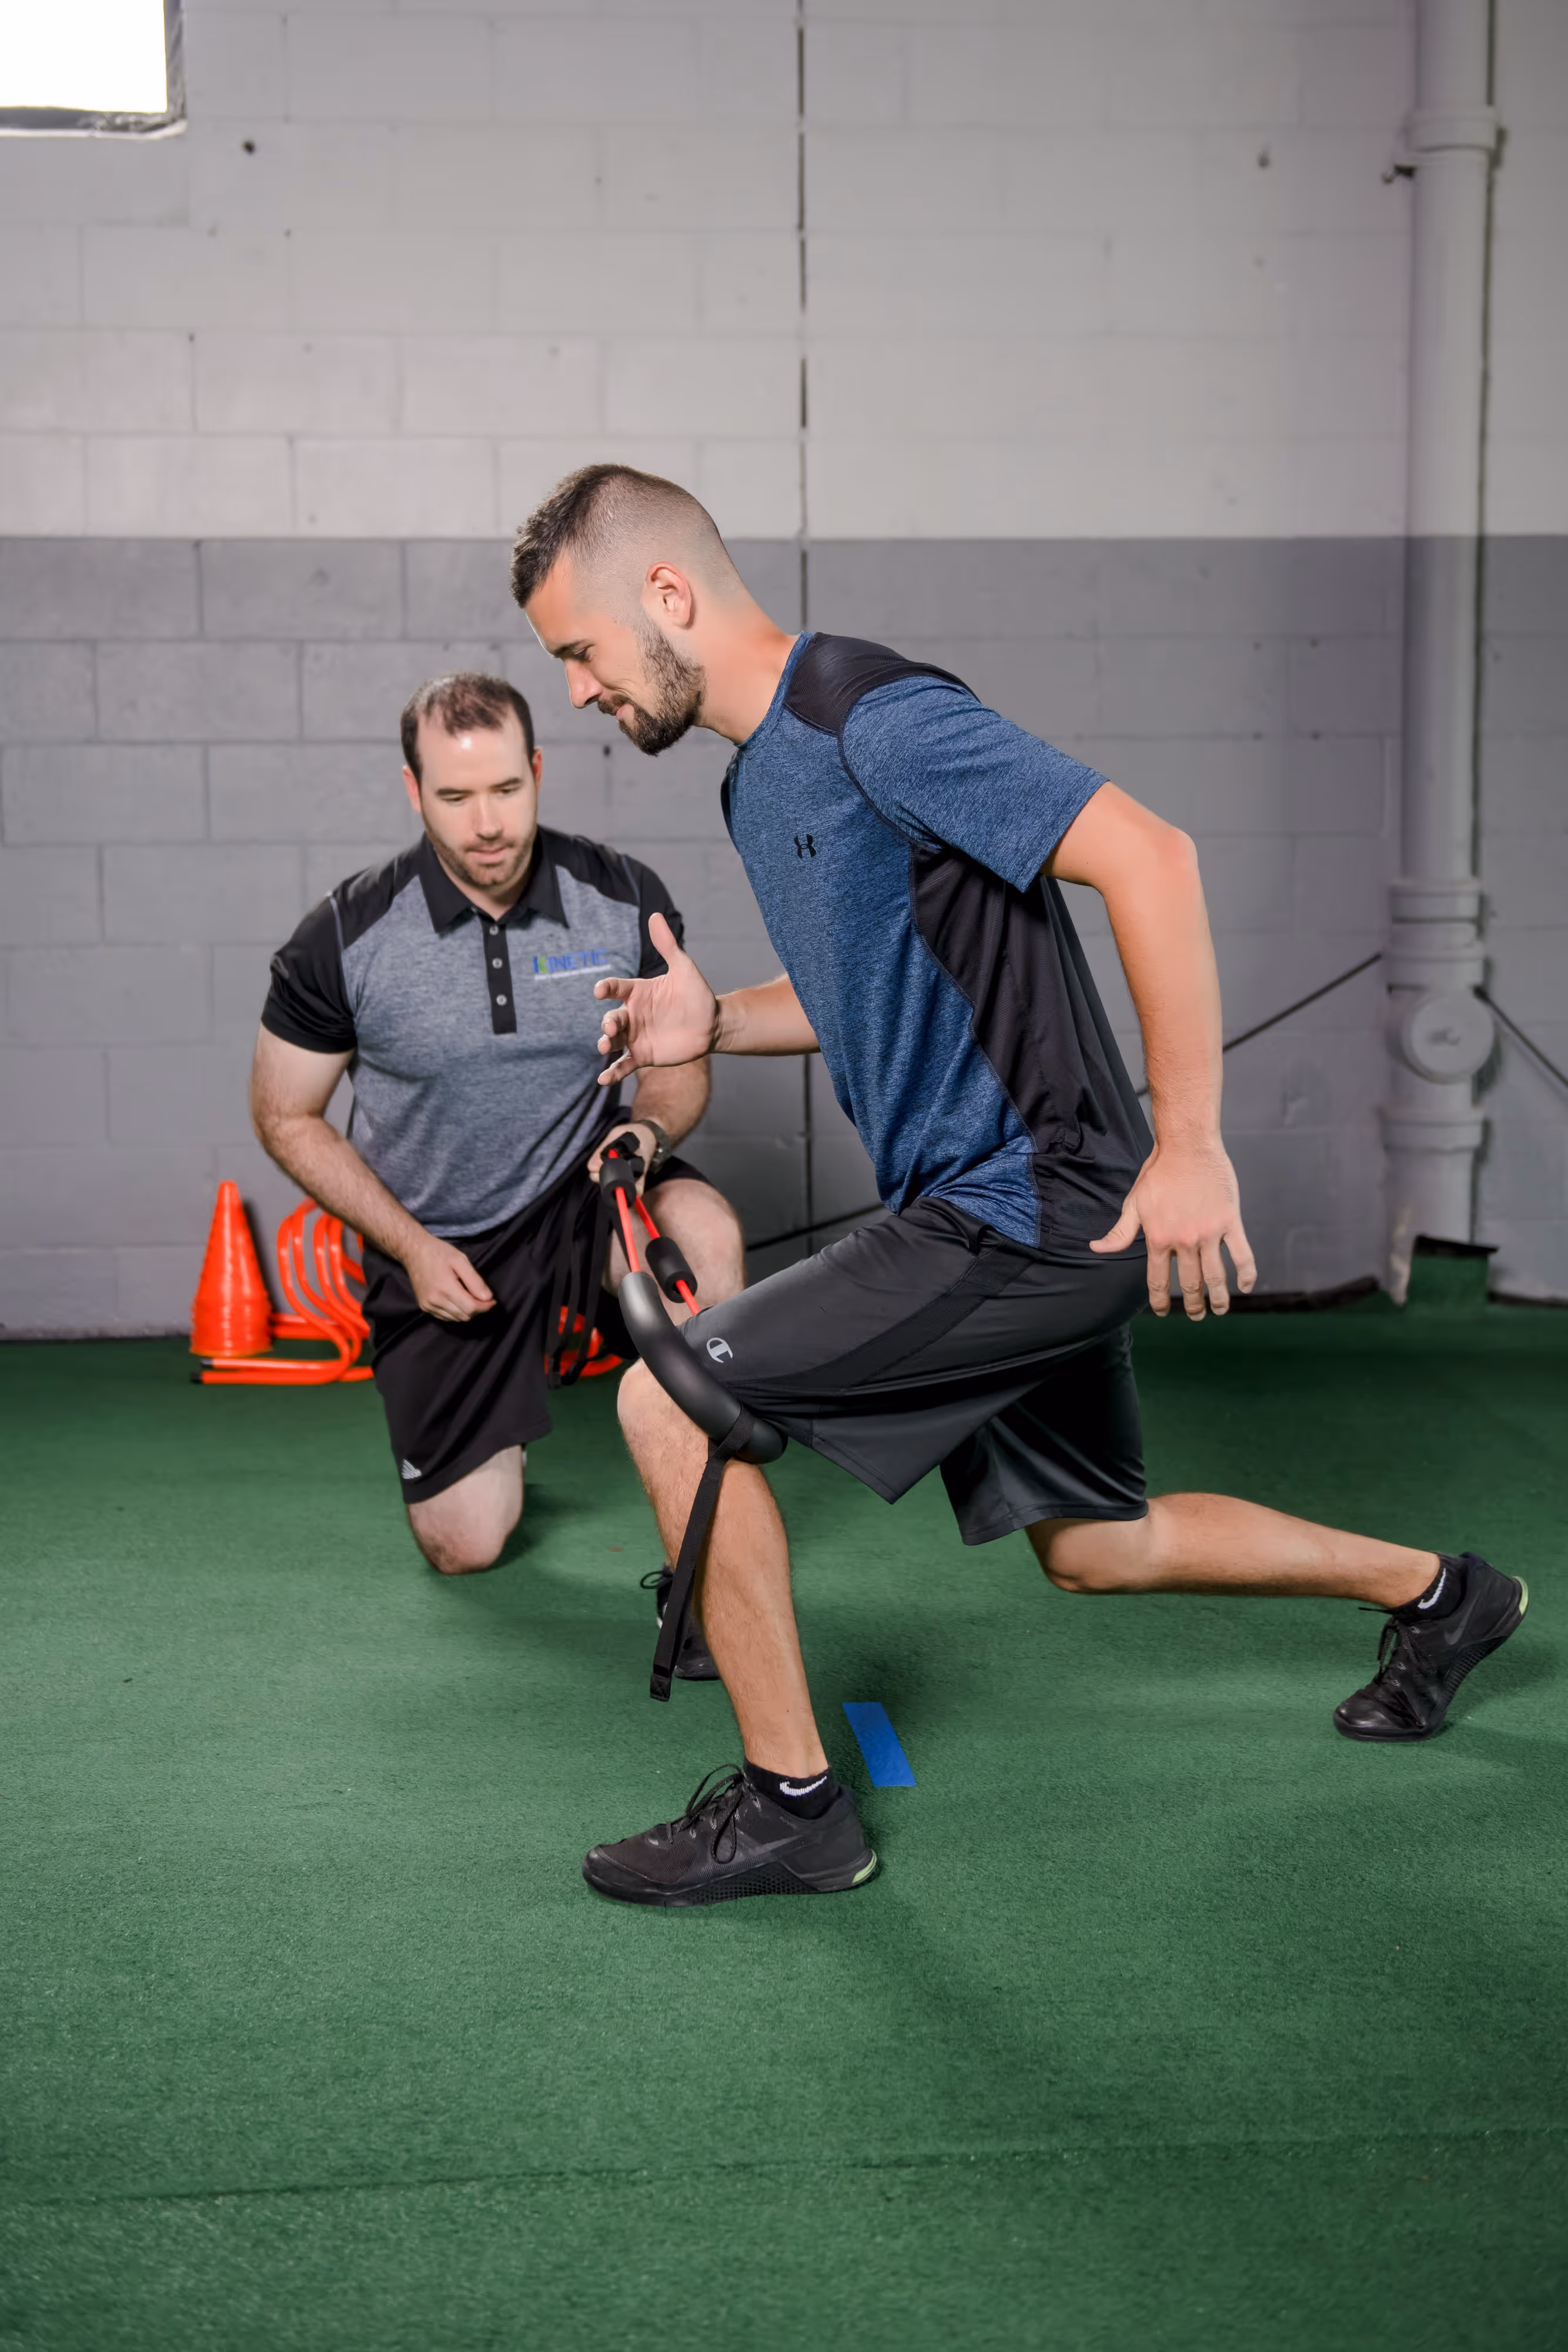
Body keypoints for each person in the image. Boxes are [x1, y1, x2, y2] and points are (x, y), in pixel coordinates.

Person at [511, 465, 1528, 1909]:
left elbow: (1151, 857)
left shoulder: (874, 717)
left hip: (1028, 1199)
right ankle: (1441, 1593)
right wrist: (713, 1020)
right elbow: (865, 985)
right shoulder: (758, 777)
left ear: (666, 594)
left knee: (665, 1395)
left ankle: (795, 1808)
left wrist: (1190, 1143)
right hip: (994, 1207)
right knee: (1099, 1544)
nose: (577, 691)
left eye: (581, 650)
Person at [250, 669, 743, 1672]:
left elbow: (678, 1063)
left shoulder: (623, 897)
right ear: (413, 790)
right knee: (465, 1544)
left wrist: (645, 1135)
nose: (486, 824)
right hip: (440, 1241)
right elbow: (285, 1116)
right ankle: (494, 1433)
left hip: (585, 1192)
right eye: (455, 795)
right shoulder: (343, 937)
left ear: (538, 770)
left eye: (506, 790)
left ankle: (706, 1575)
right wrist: (409, 1247)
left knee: (703, 1238)